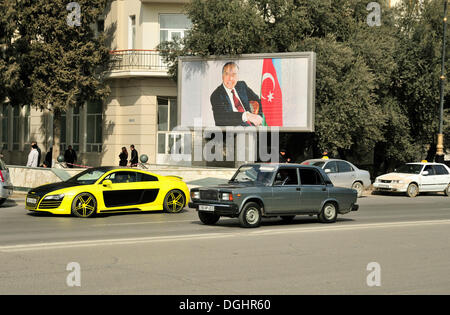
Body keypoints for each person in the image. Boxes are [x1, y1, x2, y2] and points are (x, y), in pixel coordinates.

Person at [210, 62, 264, 126]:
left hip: (251, 127)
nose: (230, 78)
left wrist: (258, 116)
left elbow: (258, 100)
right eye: (227, 74)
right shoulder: (216, 95)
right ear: (222, 76)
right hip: (232, 132)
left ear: (238, 76)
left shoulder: (241, 86)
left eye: (234, 74)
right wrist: (246, 116)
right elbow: (223, 118)